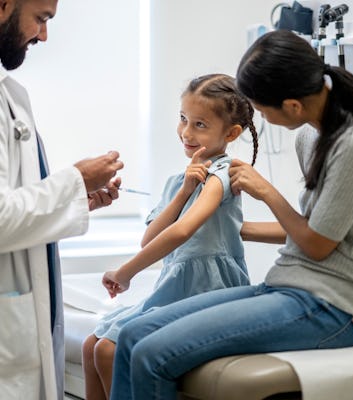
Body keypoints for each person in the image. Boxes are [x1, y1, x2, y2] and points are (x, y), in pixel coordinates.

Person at [108, 29, 353, 400]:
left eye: (262, 110)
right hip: (287, 286)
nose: (259, 118)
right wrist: (232, 229)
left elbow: (318, 244)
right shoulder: (310, 138)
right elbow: (309, 229)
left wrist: (265, 190)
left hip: (336, 308)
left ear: (292, 105)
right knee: (133, 336)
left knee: (151, 353)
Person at [82, 73, 259, 400]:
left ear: (231, 133)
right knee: (91, 345)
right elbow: (149, 239)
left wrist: (126, 272)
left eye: (200, 125)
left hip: (210, 291)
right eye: (183, 120)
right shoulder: (178, 180)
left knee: (107, 351)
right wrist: (182, 192)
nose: (186, 133)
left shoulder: (223, 173)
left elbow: (183, 230)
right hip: (177, 288)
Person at [0, 1, 124, 399]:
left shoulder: (9, 95)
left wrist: (76, 198)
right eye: (41, 18)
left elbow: (14, 198)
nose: (44, 35)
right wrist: (76, 180)